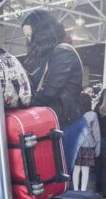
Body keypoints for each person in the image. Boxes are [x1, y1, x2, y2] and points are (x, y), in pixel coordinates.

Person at [23, 9, 86, 169]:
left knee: (61, 176)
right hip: (56, 123)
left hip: (67, 124)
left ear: (42, 33)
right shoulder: (48, 55)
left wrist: (22, 102)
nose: (29, 40)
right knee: (55, 174)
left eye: (31, 35)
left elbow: (49, 92)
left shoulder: (63, 51)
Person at [73, 93, 100, 191]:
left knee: (76, 168)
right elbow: (96, 133)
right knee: (85, 169)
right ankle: (83, 190)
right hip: (88, 144)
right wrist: (97, 149)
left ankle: (75, 190)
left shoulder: (73, 114)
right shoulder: (92, 115)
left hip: (75, 144)